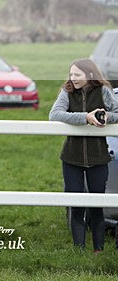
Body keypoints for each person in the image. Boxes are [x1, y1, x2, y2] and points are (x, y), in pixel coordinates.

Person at [49, 58, 118, 252]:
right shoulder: (67, 91)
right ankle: (78, 250)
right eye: (71, 74)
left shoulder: (104, 91)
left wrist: (106, 116)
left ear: (89, 75)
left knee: (96, 204)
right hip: (71, 158)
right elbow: (54, 115)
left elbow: (117, 112)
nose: (73, 78)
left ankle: (98, 250)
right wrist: (85, 117)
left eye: (77, 75)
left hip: (99, 157)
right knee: (75, 204)